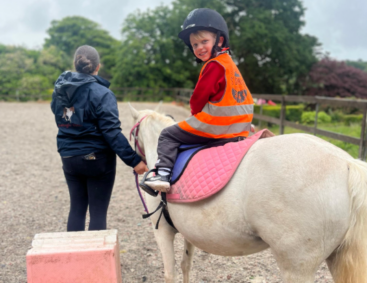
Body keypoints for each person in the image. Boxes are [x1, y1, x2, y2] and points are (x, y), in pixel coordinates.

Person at [143, 8, 254, 193]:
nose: (199, 48)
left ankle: (162, 173)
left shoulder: (213, 65)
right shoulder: (230, 64)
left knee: (168, 135)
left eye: (204, 42)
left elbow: (197, 100)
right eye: (195, 45)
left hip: (215, 125)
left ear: (219, 40)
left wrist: (194, 114)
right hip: (239, 126)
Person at [51, 45, 148, 231]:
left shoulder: (60, 91)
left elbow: (60, 118)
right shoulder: (103, 93)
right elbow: (111, 132)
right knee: (97, 212)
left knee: (77, 209)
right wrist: (134, 161)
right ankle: (94, 259)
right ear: (98, 67)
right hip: (96, 160)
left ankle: (75, 257)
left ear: (75, 64)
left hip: (68, 157)